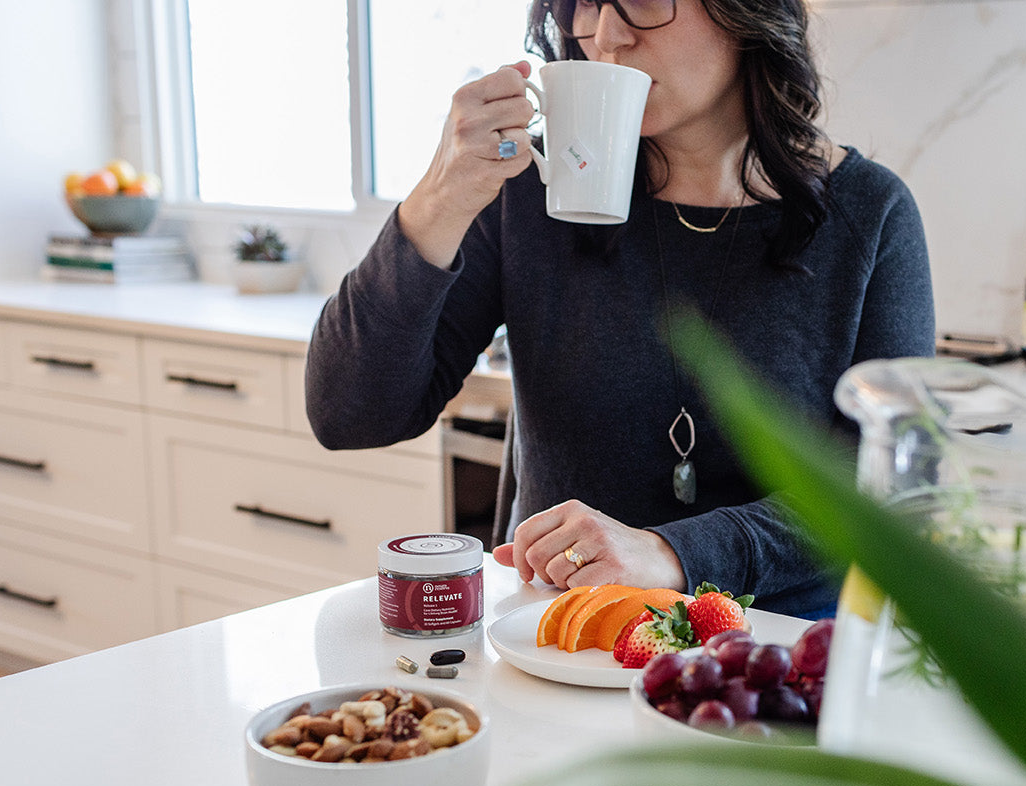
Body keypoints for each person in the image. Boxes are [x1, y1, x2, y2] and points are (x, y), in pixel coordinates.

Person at [307, 0, 935, 617]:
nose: (605, 35)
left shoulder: (870, 215)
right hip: (556, 642)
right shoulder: (526, 191)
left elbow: (889, 491)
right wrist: (437, 200)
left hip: (770, 663)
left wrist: (673, 554)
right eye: (584, 2)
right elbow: (349, 415)